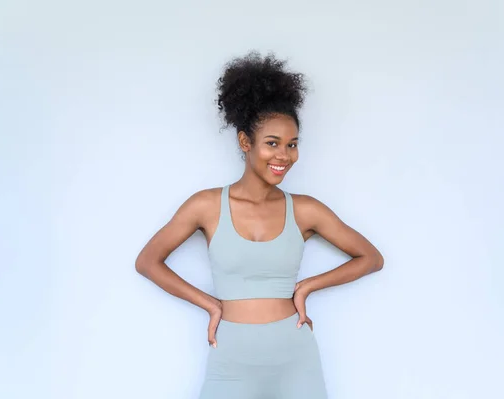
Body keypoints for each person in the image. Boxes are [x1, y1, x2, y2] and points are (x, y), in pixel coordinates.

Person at [135, 51, 384, 399]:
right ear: (244, 142)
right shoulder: (206, 205)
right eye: (272, 144)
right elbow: (147, 261)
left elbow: (371, 258)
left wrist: (308, 286)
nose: (284, 155)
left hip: (294, 355)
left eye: (292, 144)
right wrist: (210, 303)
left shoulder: (305, 210)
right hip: (232, 357)